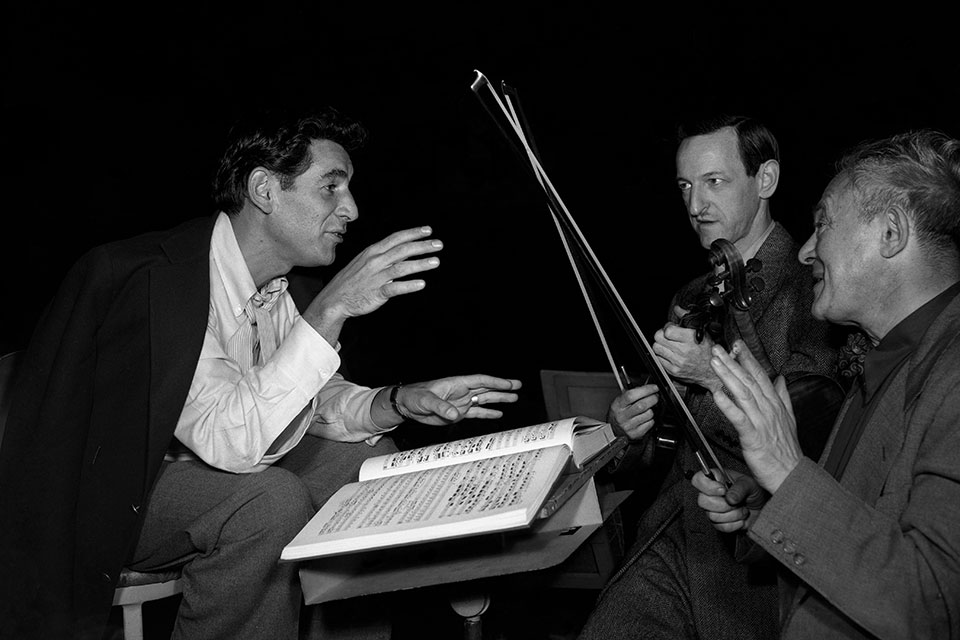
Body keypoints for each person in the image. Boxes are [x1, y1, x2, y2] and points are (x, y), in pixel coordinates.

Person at [0, 106, 523, 640]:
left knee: (369, 466)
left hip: (212, 475)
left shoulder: (281, 289)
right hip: (113, 496)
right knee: (269, 501)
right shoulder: (156, 278)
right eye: (331, 187)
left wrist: (395, 401)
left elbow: (302, 402)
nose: (352, 209)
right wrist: (330, 312)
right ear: (265, 190)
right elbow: (233, 439)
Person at [577, 115, 845, 639]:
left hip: (758, 547)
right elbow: (665, 442)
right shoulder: (691, 296)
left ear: (764, 180)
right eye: (685, 186)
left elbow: (818, 429)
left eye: (715, 182)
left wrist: (713, 373)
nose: (696, 205)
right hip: (670, 531)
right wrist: (629, 427)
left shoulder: (816, 284)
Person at [695, 129, 960, 639]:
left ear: (890, 234)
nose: (805, 250)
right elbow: (873, 520)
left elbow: (932, 607)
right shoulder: (889, 359)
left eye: (823, 224)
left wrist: (789, 471)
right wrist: (773, 503)